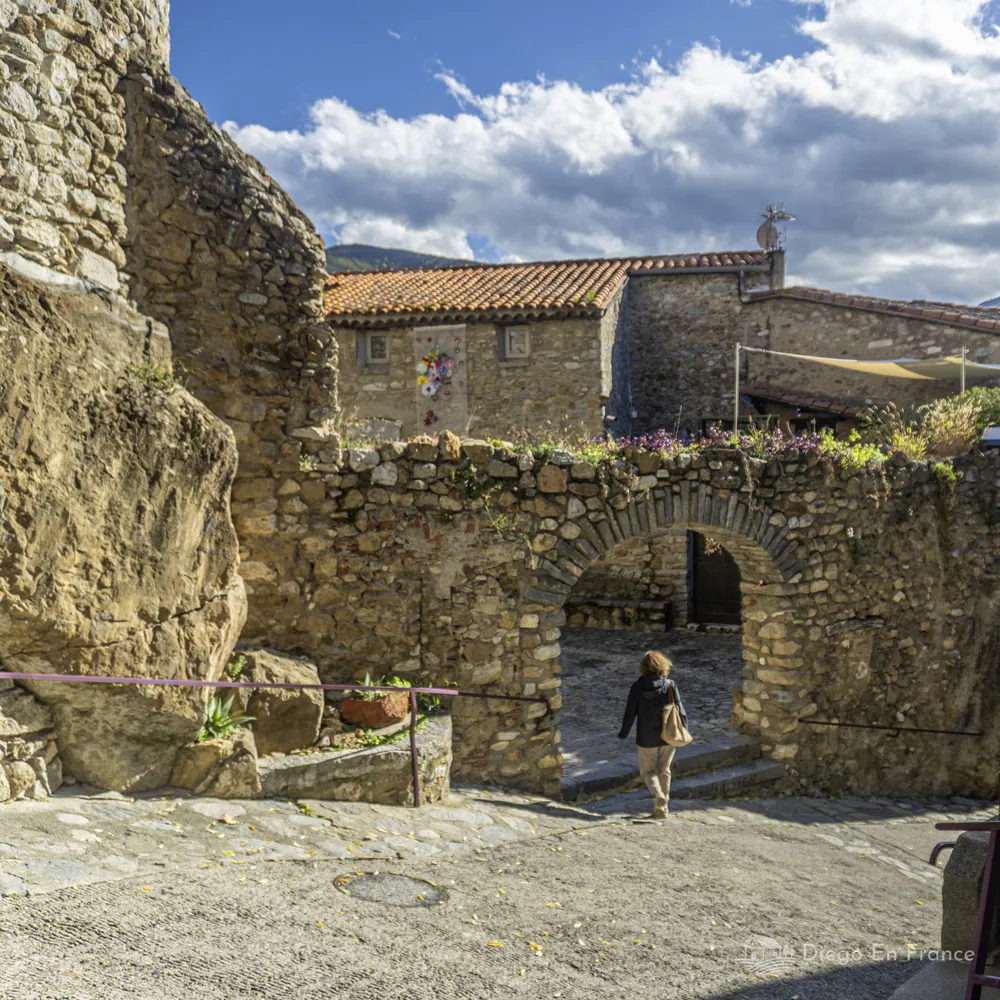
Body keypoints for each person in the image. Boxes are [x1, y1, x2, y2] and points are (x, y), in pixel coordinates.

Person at [618, 650, 688, 819]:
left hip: (646, 736)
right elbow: (680, 710)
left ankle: (658, 796)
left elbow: (630, 712)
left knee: (648, 771)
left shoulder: (637, 687)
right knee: (664, 770)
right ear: (663, 666)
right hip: (668, 735)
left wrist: (624, 732)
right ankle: (663, 809)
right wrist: (684, 729)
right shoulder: (670, 685)